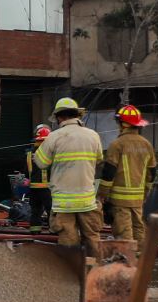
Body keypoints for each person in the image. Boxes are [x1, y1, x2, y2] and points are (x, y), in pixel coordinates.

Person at [33, 97, 105, 258]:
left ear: (59, 117)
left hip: (64, 204)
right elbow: (99, 158)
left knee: (68, 243)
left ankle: (70, 277)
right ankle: (95, 275)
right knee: (93, 240)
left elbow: (41, 163)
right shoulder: (93, 135)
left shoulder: (54, 137)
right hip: (87, 200)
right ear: (77, 115)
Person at [99, 104, 157, 242]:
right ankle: (140, 260)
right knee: (139, 232)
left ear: (123, 124)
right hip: (138, 200)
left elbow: (108, 172)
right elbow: (152, 173)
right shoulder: (147, 144)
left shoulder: (117, 144)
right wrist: (145, 193)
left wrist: (102, 194)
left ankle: (127, 261)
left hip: (119, 202)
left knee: (124, 237)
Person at [26, 124, 53, 228]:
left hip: (33, 187)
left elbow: (26, 170)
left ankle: (35, 230)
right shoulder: (48, 153)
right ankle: (52, 230)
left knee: (35, 211)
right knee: (50, 210)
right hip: (46, 187)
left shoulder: (29, 154)